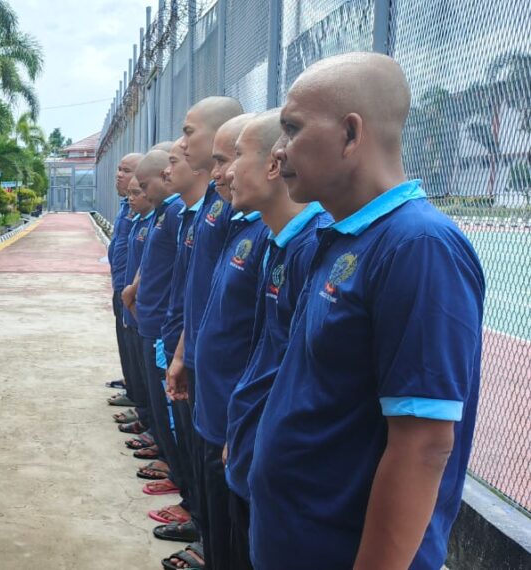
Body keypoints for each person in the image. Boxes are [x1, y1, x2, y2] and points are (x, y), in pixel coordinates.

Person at [249, 53, 485, 569]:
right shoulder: (334, 239)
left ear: (351, 135)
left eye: (291, 128)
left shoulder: (419, 248)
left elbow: (422, 445)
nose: (279, 150)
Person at [222, 110, 332, 569]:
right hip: (256, 445)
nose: (226, 172)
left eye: (236, 157)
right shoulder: (280, 242)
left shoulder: (312, 245)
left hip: (293, 478)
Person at [182, 113, 270, 570]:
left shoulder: (284, 239)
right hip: (216, 406)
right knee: (218, 524)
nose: (226, 172)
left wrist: (242, 426)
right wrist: (182, 350)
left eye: (232, 158)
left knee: (236, 534)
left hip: (240, 423)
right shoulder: (237, 222)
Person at [125, 150, 187, 505]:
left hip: (167, 328)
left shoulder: (179, 214)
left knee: (174, 411)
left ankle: (178, 476)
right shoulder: (167, 213)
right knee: (159, 404)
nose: (140, 195)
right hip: (149, 318)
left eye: (142, 186)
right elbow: (150, 263)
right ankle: (167, 455)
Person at [107, 153, 146, 411]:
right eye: (119, 169)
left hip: (132, 289)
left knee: (135, 345)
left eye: (126, 170)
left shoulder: (144, 210)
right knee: (125, 341)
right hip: (120, 284)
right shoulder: (126, 206)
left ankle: (138, 395)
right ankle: (131, 383)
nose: (119, 175)